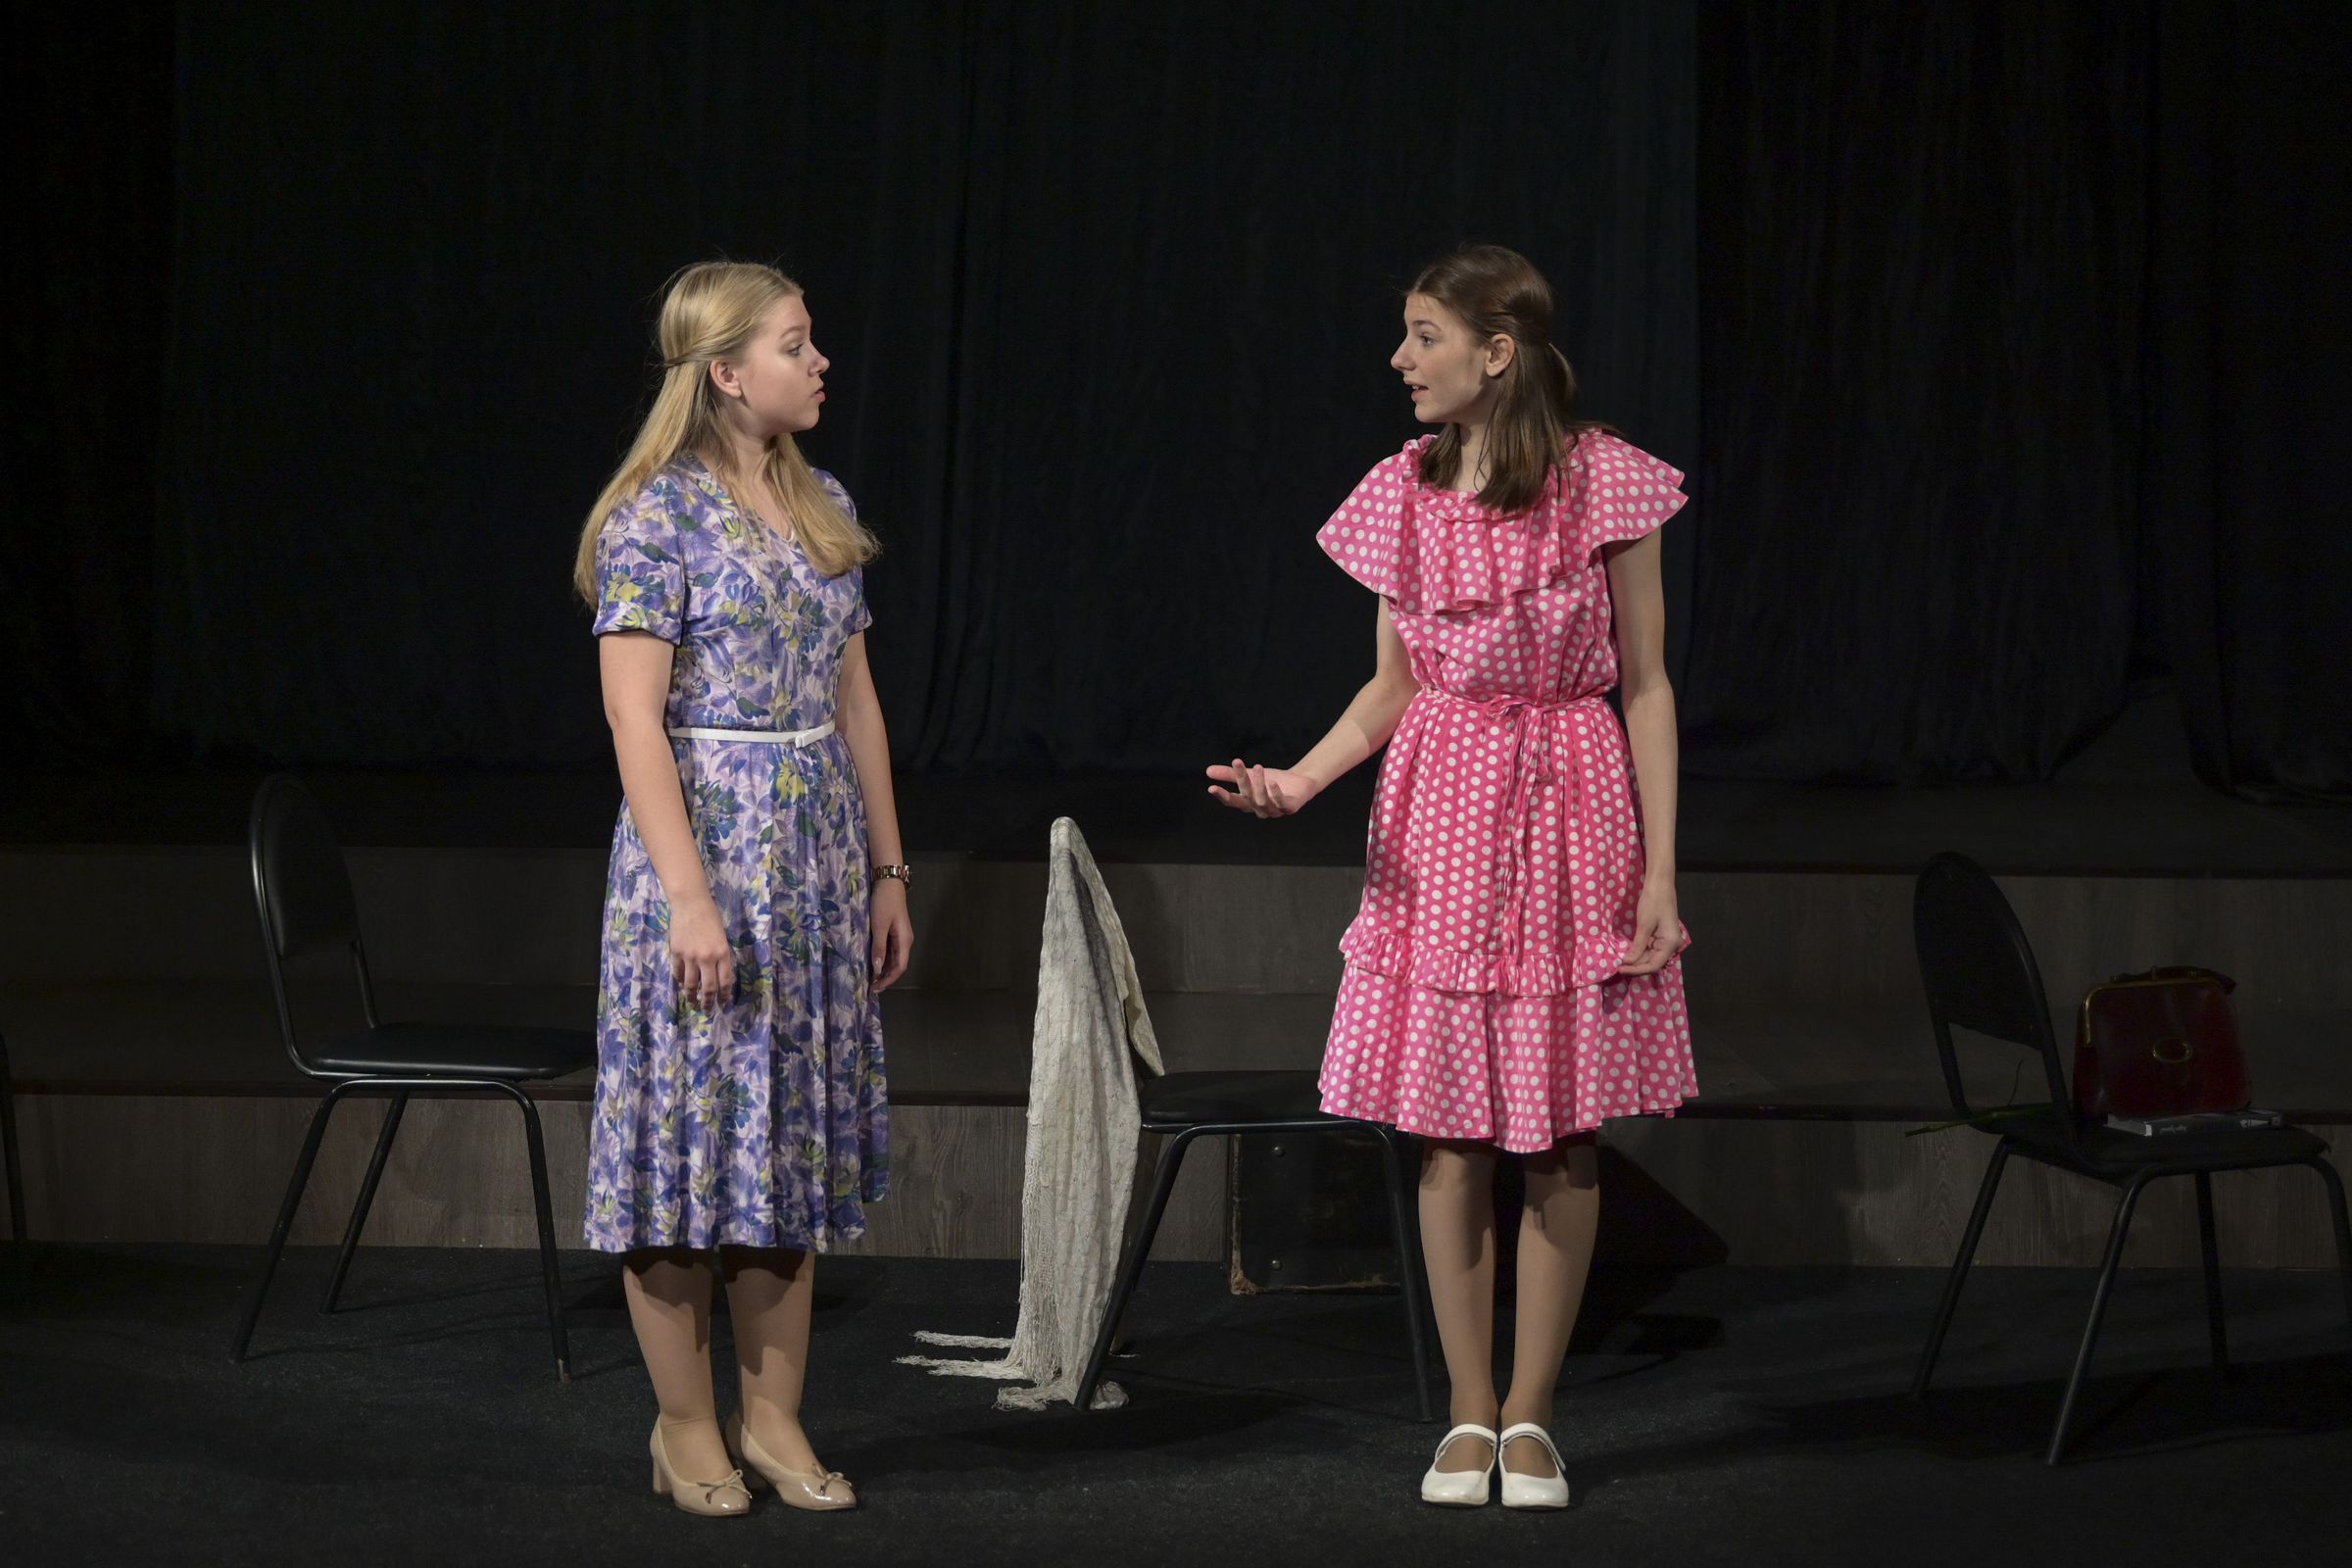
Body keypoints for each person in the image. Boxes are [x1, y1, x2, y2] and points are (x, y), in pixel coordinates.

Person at [1208, 244, 1697, 1510]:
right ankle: (1468, 1414)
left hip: (1574, 806)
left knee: (1561, 1134)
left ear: (1497, 349)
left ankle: (1534, 1417)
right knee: (1450, 1133)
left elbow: (1646, 688)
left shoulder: (1604, 481)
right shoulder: (1407, 491)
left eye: (1423, 335)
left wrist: (1660, 872)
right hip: (1444, 814)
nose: (1400, 359)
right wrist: (1298, 782)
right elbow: (1392, 687)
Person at [570, 261, 912, 1517]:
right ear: (726, 372)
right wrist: (690, 898)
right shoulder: (653, 516)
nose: (820, 363)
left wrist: (887, 869)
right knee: (685, 1143)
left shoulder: (824, 500)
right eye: (795, 343)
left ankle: (774, 1418)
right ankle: (685, 1428)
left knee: (784, 1141)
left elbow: (857, 700)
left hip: (813, 860)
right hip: (705, 854)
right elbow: (633, 718)